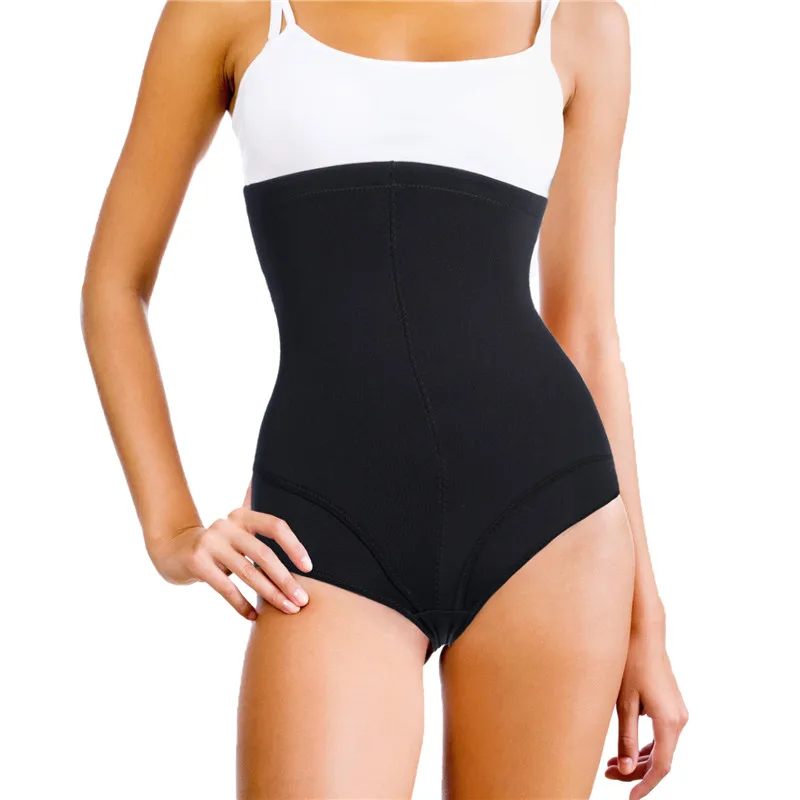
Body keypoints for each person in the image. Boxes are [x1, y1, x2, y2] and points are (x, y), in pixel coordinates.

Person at [81, 1, 688, 797]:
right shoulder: (240, 13)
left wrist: (646, 622)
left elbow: (587, 334)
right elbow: (114, 286)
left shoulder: (578, 23)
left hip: (553, 525)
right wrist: (170, 531)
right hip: (325, 532)